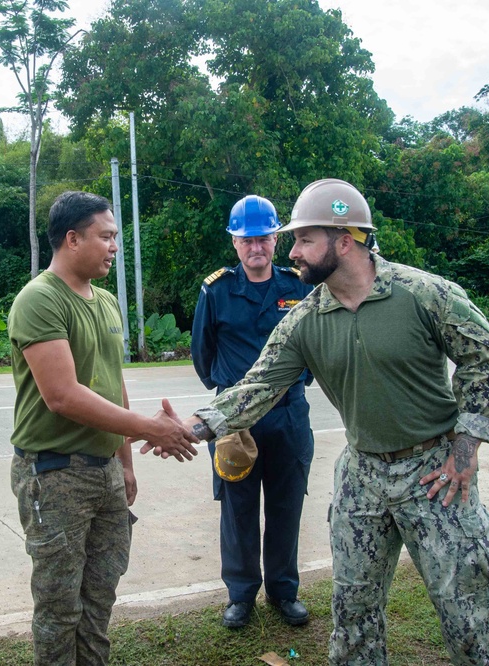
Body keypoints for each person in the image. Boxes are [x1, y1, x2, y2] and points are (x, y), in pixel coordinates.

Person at [151, 179, 489, 665]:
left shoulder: (424, 294)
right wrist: (186, 429)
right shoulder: (306, 318)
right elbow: (255, 387)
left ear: (345, 241)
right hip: (361, 475)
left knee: (465, 614)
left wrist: (465, 448)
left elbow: (486, 360)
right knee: (353, 611)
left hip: (434, 475)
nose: (291, 250)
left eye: (304, 239)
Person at [7, 190, 198, 665]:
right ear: (72, 239)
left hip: (105, 472)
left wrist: (127, 462)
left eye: (115, 237)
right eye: (106, 236)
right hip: (55, 476)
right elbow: (63, 394)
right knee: (59, 605)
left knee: (99, 596)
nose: (115, 246)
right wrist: (151, 429)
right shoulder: (39, 300)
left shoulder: (107, 302)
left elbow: (113, 386)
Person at [191, 195, 315, 628]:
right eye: (247, 240)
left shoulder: (298, 286)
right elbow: (202, 355)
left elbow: (315, 345)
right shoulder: (217, 289)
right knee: (238, 509)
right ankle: (241, 595)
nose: (255, 247)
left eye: (263, 238)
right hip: (235, 420)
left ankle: (284, 592)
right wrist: (229, 393)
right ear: (235, 243)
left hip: (288, 415)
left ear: (276, 241)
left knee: (286, 506)